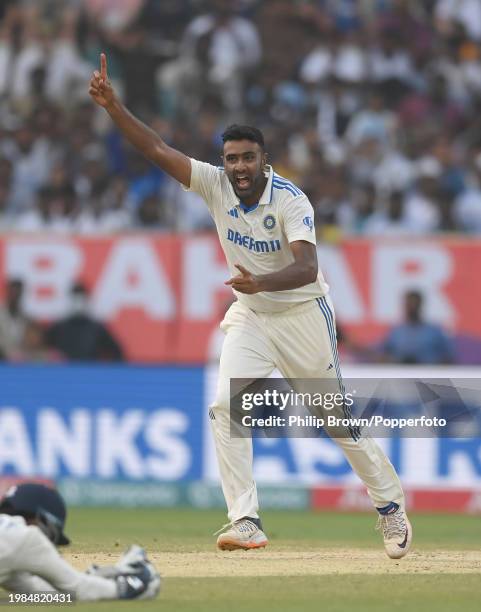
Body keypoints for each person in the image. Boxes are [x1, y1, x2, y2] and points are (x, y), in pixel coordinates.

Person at [89, 53, 412, 559]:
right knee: (225, 406)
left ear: (264, 159)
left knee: (336, 421)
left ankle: (390, 506)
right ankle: (245, 518)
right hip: (252, 315)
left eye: (247, 158)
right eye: (231, 158)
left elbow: (307, 268)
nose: (239, 167)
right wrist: (113, 106)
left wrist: (260, 281)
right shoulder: (215, 184)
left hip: (302, 315)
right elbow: (155, 147)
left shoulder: (290, 200)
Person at [0, 482, 160, 600]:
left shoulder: (11, 542)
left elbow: (40, 593)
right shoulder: (27, 537)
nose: (49, 544)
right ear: (42, 520)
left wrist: (99, 577)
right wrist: (129, 586)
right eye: (52, 536)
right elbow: (80, 590)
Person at [47, 282, 124, 362]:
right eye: (75, 298)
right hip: (64, 372)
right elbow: (42, 350)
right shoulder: (58, 328)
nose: (78, 302)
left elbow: (117, 352)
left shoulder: (97, 329)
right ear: (70, 299)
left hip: (90, 371)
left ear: (87, 300)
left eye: (81, 298)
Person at [381, 290, 455, 364]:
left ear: (420, 305)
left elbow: (449, 357)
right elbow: (384, 355)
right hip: (400, 373)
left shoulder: (434, 331)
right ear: (405, 306)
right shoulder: (396, 332)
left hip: (428, 373)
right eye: (409, 304)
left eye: (415, 304)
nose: (412, 308)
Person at [0, 279, 28, 361]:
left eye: (18, 293)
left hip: (18, 361)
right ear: (8, 293)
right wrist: (6, 352)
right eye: (12, 292)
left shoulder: (24, 316)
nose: (15, 296)